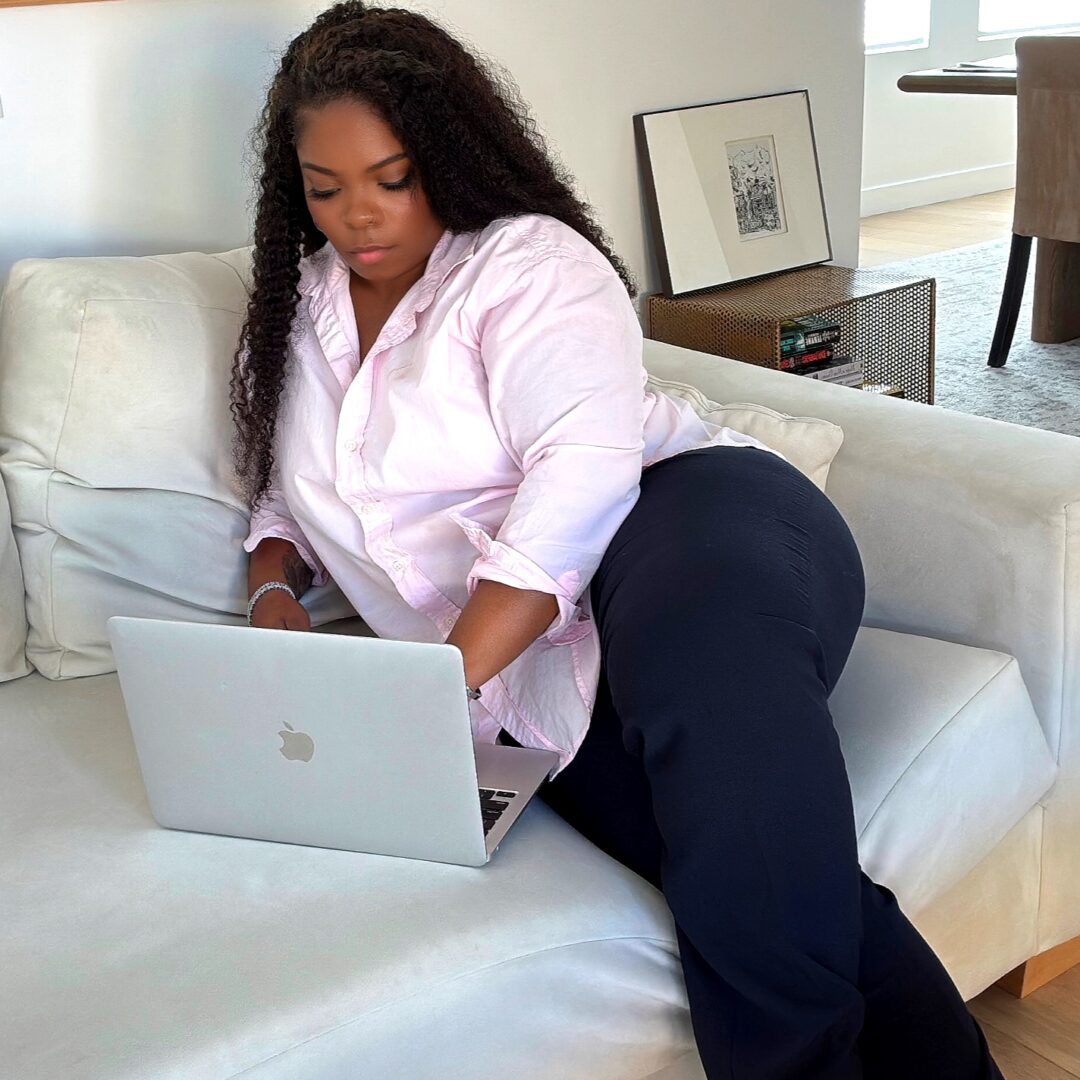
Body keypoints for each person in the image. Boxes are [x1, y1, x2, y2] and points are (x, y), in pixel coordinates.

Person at [229, 4, 1007, 1077]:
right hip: (530, 677)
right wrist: (272, 590)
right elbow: (288, 499)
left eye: (391, 178)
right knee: (755, 871)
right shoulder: (295, 315)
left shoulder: (526, 266)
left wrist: (428, 691)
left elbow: (580, 480)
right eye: (325, 189)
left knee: (710, 688)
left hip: (686, 521)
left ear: (445, 155)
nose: (358, 215)